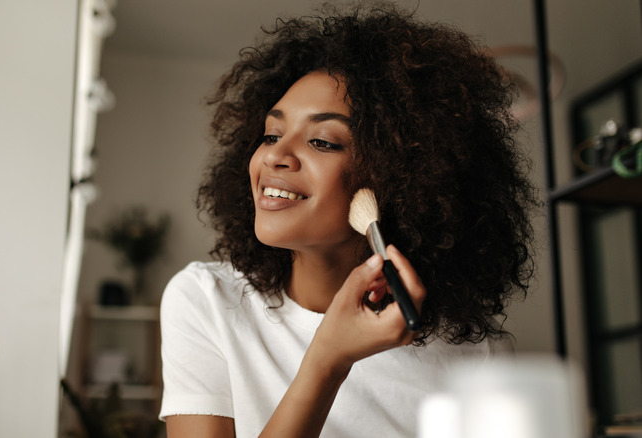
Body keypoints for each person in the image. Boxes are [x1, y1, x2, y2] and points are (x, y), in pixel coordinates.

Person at [158, 2, 538, 437]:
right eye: (271, 134)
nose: (275, 156)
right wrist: (327, 361)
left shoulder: (474, 357)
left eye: (322, 141)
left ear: (401, 178)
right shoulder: (208, 301)